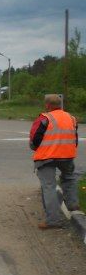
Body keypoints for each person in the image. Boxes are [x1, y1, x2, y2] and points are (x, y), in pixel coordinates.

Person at [29, 93, 80, 228]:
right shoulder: (71, 118)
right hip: (67, 156)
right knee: (69, 178)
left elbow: (34, 140)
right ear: (60, 105)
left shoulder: (44, 118)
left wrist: (35, 147)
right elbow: (74, 138)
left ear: (47, 105)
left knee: (49, 186)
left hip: (47, 157)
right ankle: (73, 204)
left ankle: (53, 220)